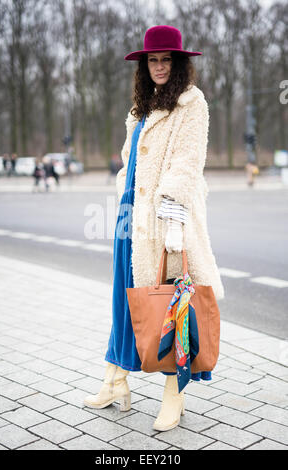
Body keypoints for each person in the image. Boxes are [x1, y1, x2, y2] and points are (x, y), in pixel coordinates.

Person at [84, 25, 225, 432]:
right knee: (123, 300)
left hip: (167, 217)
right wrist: (124, 191)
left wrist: (174, 218)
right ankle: (115, 382)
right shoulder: (139, 108)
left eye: (166, 59)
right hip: (131, 217)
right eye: (152, 60)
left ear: (178, 63)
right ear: (143, 65)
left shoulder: (190, 103)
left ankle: (173, 397)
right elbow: (130, 161)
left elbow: (186, 162)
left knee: (169, 307)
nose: (159, 66)